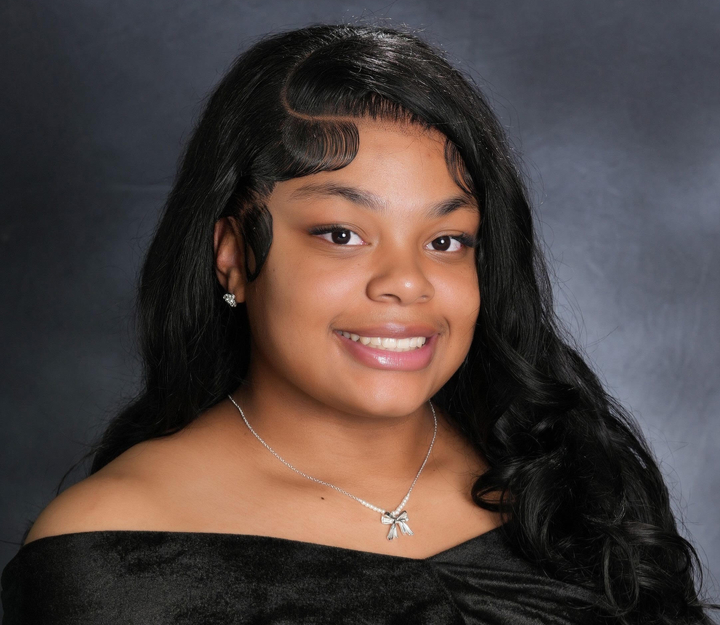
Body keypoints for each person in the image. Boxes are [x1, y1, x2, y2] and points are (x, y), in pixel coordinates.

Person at [1, 22, 716, 625]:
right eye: (341, 234)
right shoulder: (108, 554)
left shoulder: (568, 481)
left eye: (446, 241)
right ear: (233, 256)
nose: (406, 281)